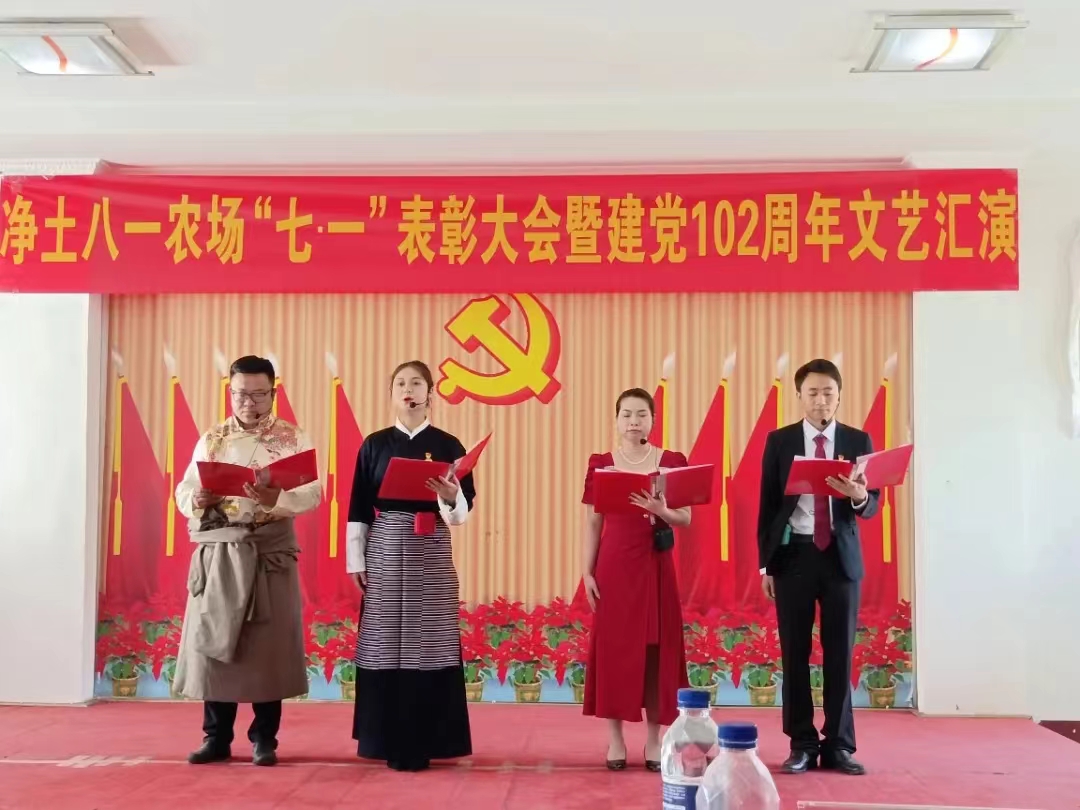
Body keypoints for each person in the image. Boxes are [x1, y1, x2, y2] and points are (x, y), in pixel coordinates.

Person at [173, 355, 321, 767]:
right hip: (221, 550)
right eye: (240, 394)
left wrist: (278, 498)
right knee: (217, 643)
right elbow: (183, 489)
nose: (248, 403)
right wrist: (196, 499)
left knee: (266, 649)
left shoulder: (292, 437)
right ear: (230, 391)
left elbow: (313, 493)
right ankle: (216, 737)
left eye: (258, 395)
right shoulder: (213, 438)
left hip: (269, 553)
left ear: (273, 392)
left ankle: (264, 739)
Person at [345, 360, 476, 772]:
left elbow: (462, 513)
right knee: (384, 640)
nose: (409, 389)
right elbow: (358, 505)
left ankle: (428, 739)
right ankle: (384, 739)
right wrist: (356, 559)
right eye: (401, 383)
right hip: (385, 544)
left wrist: (450, 496)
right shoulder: (375, 444)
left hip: (431, 543)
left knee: (430, 639)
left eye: (417, 383)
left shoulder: (449, 445)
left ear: (429, 393)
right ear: (392, 394)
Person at [757, 358, 879, 776]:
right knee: (795, 651)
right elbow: (768, 505)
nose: (821, 399)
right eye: (812, 392)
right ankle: (802, 744)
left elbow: (872, 504)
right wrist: (766, 567)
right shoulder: (780, 441)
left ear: (839, 396)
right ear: (799, 396)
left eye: (828, 392)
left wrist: (858, 495)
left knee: (840, 652)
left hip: (840, 558)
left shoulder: (858, 439)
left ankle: (839, 745)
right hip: (794, 555)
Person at [580, 388, 692, 771]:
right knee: (614, 649)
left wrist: (662, 510)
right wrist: (587, 571)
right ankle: (615, 739)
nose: (633, 421)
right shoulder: (602, 464)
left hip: (656, 564)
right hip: (613, 566)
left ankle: (654, 739)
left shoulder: (671, 462)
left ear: (653, 420)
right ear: (616, 420)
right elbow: (593, 521)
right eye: (626, 414)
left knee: (657, 649)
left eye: (641, 414)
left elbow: (685, 518)